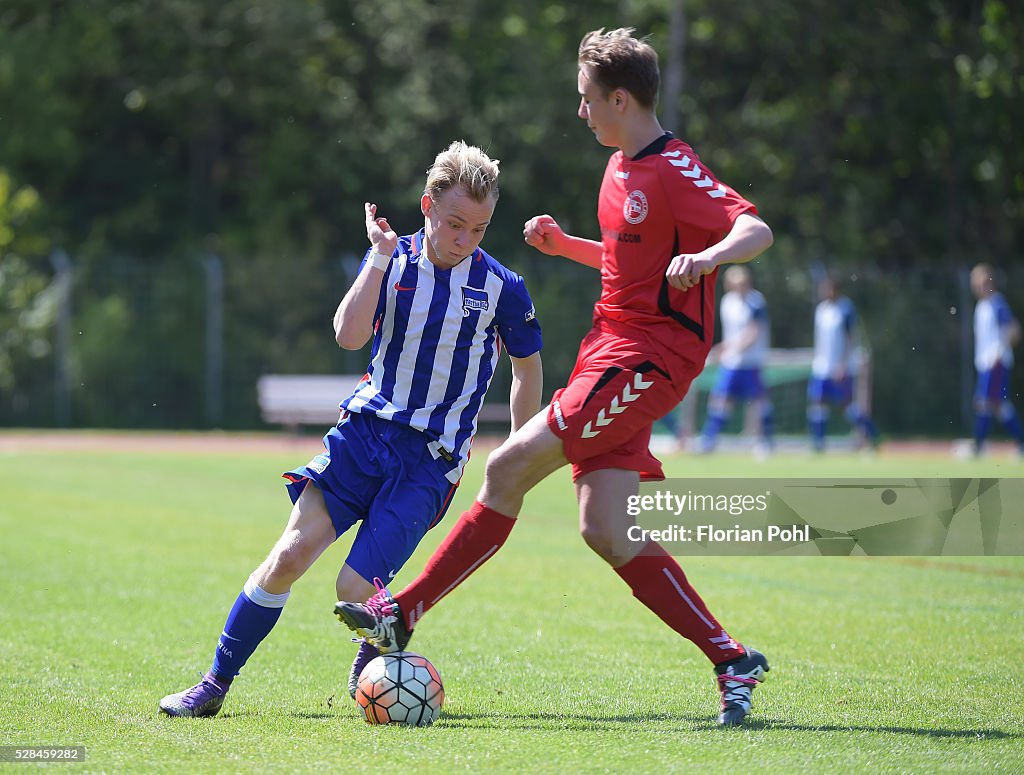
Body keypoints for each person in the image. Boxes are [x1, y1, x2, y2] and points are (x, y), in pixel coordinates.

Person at [336, 28, 774, 726]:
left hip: (647, 358)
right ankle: (731, 658)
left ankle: (401, 611)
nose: (581, 113)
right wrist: (566, 244)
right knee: (606, 525)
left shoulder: (673, 165)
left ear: (621, 99)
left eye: (587, 100)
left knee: (507, 468)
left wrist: (710, 257)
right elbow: (628, 265)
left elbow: (754, 228)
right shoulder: (618, 167)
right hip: (610, 349)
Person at [158, 141, 544, 717]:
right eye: (455, 223)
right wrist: (378, 257)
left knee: (353, 591)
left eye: (480, 228)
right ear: (427, 207)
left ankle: (378, 651)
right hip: (362, 437)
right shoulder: (395, 262)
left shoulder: (502, 288)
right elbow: (348, 335)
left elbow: (527, 367)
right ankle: (213, 685)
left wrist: (518, 449)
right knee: (288, 556)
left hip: (430, 462)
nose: (465, 238)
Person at [697, 265, 773, 455]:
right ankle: (709, 441)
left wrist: (728, 348)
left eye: (743, 283)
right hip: (731, 363)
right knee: (720, 401)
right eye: (736, 284)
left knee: (759, 403)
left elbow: (754, 332)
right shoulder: (727, 302)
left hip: (751, 362)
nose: (740, 287)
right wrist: (725, 351)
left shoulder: (756, 302)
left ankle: (766, 442)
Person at [806, 274, 879, 452]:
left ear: (836, 289)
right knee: (817, 402)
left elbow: (850, 338)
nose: (825, 291)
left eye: (828, 288)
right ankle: (818, 444)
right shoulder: (821, 309)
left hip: (840, 366)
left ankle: (873, 435)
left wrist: (843, 363)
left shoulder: (845, 309)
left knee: (847, 406)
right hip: (822, 366)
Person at [969, 263, 1023, 457]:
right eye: (975, 282)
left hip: (996, 364)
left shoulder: (996, 303)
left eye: (981, 282)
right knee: (999, 406)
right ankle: (1020, 443)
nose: (977, 286)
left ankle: (978, 447)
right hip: (986, 364)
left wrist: (998, 352)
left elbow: (1015, 330)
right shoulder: (982, 306)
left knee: (984, 402)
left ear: (990, 282)